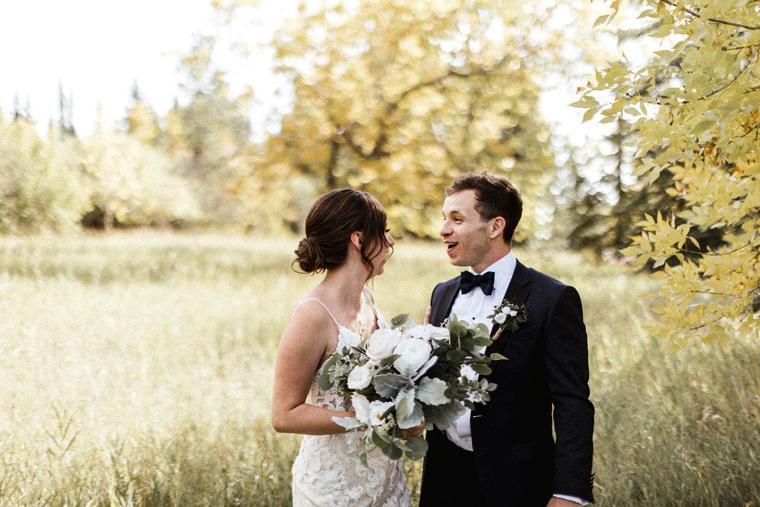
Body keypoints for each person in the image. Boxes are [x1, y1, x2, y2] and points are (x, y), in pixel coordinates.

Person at [419, 173, 595, 506]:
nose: (443, 230)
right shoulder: (442, 293)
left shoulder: (552, 299)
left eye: (456, 219)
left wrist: (570, 492)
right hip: (445, 478)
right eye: (444, 219)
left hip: (518, 483)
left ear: (496, 226)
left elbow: (572, 401)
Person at [271, 188, 411, 507]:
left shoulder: (368, 302)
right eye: (384, 232)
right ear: (359, 240)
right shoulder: (312, 315)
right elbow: (284, 415)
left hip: (386, 482)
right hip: (333, 490)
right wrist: (367, 416)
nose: (390, 243)